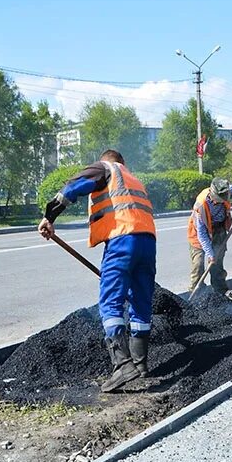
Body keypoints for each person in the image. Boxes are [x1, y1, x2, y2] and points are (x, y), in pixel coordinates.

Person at [38, 150, 156, 392]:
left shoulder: (106, 168)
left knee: (110, 302)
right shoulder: (133, 178)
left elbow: (74, 187)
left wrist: (49, 216)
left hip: (122, 239)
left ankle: (123, 365)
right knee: (140, 301)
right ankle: (140, 364)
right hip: (148, 243)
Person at [188, 178, 232, 295]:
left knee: (217, 264)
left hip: (219, 229)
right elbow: (202, 234)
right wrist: (210, 254)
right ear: (213, 194)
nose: (224, 200)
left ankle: (220, 293)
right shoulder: (200, 205)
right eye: (221, 198)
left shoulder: (229, 190)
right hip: (199, 233)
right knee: (198, 265)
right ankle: (196, 295)